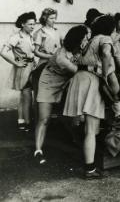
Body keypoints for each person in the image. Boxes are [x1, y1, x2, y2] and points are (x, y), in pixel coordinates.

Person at [63, 15, 120, 179]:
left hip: (79, 79)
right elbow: (107, 53)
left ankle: (88, 162)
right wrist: (107, 73)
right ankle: (90, 169)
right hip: (91, 81)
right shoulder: (105, 38)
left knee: (87, 127)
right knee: (90, 129)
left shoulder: (91, 38)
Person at [34, 25, 89, 165]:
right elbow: (78, 70)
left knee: (74, 112)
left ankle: (79, 140)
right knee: (44, 119)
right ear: (78, 40)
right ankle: (38, 150)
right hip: (49, 81)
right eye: (85, 37)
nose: (88, 40)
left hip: (67, 81)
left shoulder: (82, 50)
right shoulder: (61, 57)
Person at [0, 12, 36, 131]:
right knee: (26, 95)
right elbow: (3, 52)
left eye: (34, 24)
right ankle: (27, 122)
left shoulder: (30, 36)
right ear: (22, 24)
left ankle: (21, 120)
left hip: (31, 67)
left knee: (24, 96)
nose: (32, 26)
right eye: (30, 24)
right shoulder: (16, 37)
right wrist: (16, 63)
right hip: (23, 68)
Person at [32, 8, 62, 97]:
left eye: (55, 18)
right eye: (51, 18)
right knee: (41, 90)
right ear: (45, 18)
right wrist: (49, 56)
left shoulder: (57, 31)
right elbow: (36, 51)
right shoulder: (40, 32)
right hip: (44, 63)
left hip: (56, 63)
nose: (54, 20)